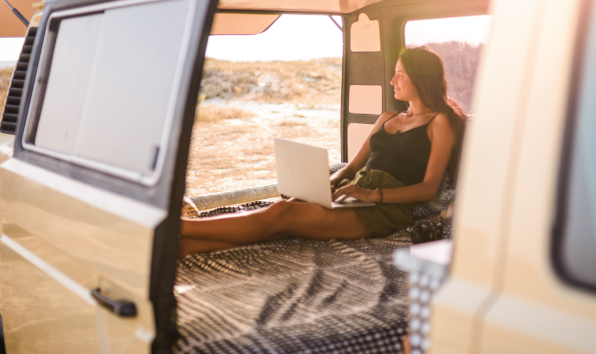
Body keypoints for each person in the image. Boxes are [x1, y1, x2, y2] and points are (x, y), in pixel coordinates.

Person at [179, 46, 467, 257]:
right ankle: (179, 247)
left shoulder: (439, 122)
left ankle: (180, 229)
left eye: (400, 75)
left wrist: (371, 195)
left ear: (420, 78)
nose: (393, 82)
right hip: (352, 193)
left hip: (384, 209)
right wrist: (328, 183)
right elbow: (352, 169)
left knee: (281, 215)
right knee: (278, 222)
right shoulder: (387, 118)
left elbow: (428, 188)